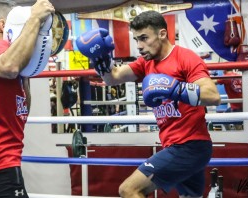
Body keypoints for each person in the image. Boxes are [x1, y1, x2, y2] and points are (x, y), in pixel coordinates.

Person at [76, 10, 221, 197]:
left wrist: (176, 90)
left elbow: (213, 95)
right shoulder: (146, 63)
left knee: (129, 190)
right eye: (136, 40)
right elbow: (114, 77)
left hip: (189, 146)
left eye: (144, 38)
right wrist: (101, 61)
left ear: (162, 34)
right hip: (175, 145)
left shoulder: (185, 58)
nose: (140, 46)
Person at [0, 0, 55, 197]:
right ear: (4, 25)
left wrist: (27, 68)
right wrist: (33, 20)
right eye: (20, 24)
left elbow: (21, 110)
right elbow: (9, 67)